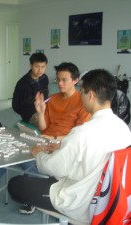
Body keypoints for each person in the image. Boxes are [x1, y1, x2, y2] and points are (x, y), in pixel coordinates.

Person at [8, 69, 131, 224]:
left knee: (16, 184)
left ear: (91, 95)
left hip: (82, 201)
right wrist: (61, 145)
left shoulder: (83, 132)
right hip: (111, 196)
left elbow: (53, 167)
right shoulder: (123, 128)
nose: (80, 95)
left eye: (82, 92)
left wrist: (38, 153)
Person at [17, 62, 91, 214]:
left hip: (65, 142)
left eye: (64, 80)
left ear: (75, 80)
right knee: (20, 152)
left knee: (33, 159)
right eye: (58, 79)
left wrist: (55, 137)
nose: (60, 83)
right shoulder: (52, 99)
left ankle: (36, 193)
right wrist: (41, 112)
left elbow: (80, 136)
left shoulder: (82, 102)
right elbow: (44, 128)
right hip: (46, 138)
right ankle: (39, 187)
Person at [12, 52, 49, 125]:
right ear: (31, 66)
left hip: (44, 110)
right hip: (31, 115)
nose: (40, 70)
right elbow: (15, 105)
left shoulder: (45, 78)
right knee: (46, 124)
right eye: (37, 66)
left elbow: (45, 98)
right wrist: (26, 114)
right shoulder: (22, 83)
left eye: (43, 67)